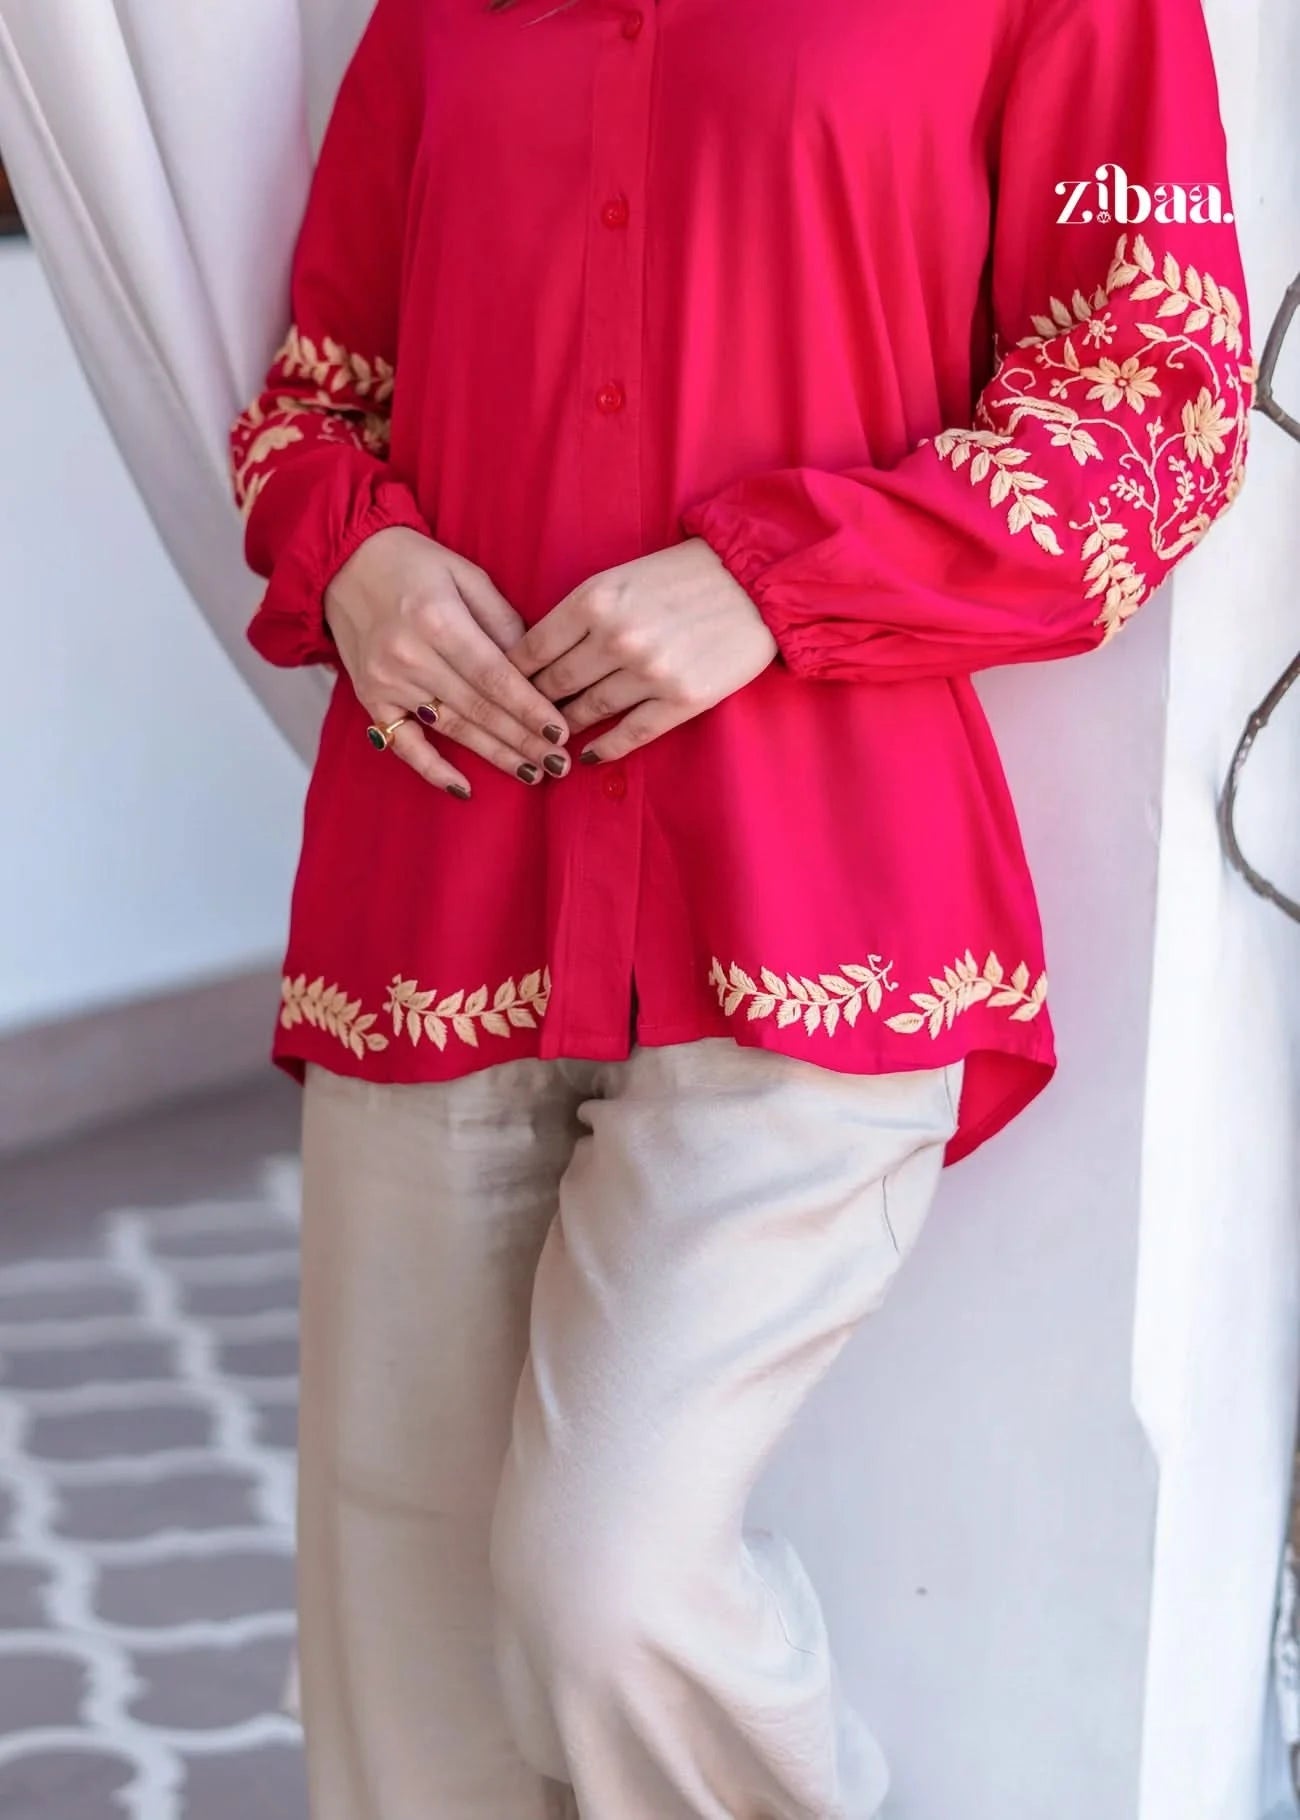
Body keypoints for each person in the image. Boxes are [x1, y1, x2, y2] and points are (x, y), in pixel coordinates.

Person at [229, 0, 1252, 1814]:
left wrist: (774, 585)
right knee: (408, 1695)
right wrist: (361, 559)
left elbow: (1157, 385)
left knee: (606, 1583)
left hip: (806, 899)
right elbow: (321, 404)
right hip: (443, 886)